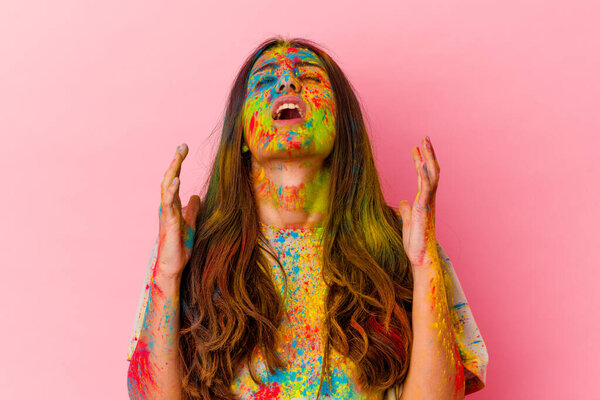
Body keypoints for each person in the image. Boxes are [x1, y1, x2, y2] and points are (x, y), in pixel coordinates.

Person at [126, 37, 488, 400]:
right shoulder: (190, 249)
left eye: (311, 78)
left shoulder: (403, 243)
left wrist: (424, 266)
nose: (287, 82)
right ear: (241, 136)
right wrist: (168, 273)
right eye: (266, 79)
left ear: (341, 127)